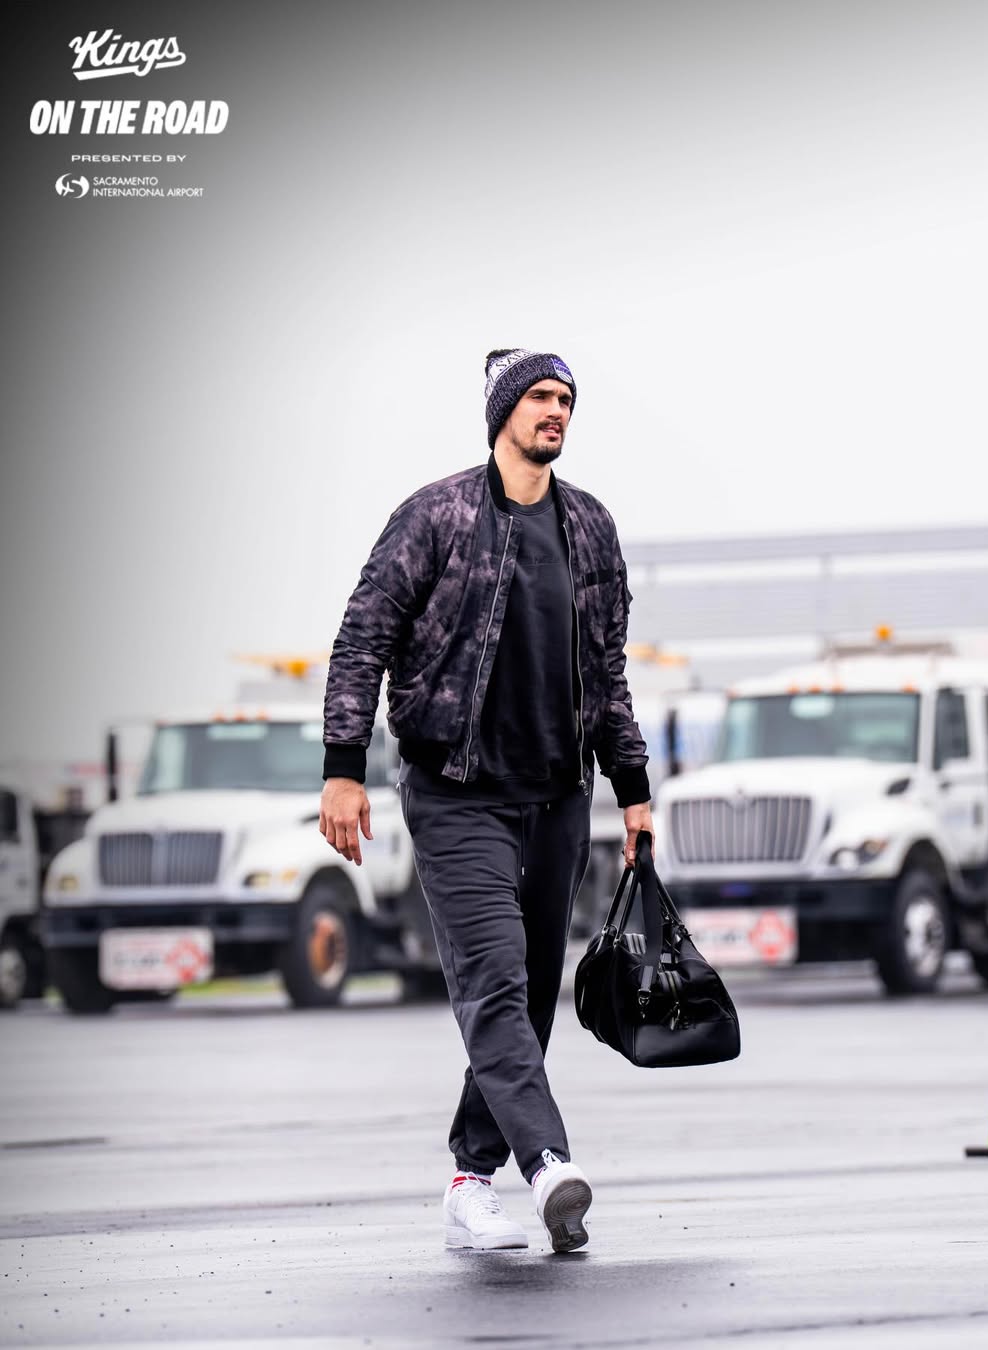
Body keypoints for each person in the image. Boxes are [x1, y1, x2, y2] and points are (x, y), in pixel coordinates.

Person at [320, 348, 652, 1252]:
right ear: (504, 410)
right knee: (494, 980)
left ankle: (470, 1182)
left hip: (558, 796)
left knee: (533, 994)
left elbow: (608, 672)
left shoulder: (590, 526)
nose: (557, 412)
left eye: (566, 400)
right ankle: (548, 1165)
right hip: (455, 793)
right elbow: (362, 639)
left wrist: (632, 789)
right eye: (541, 397)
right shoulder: (436, 516)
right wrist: (343, 766)